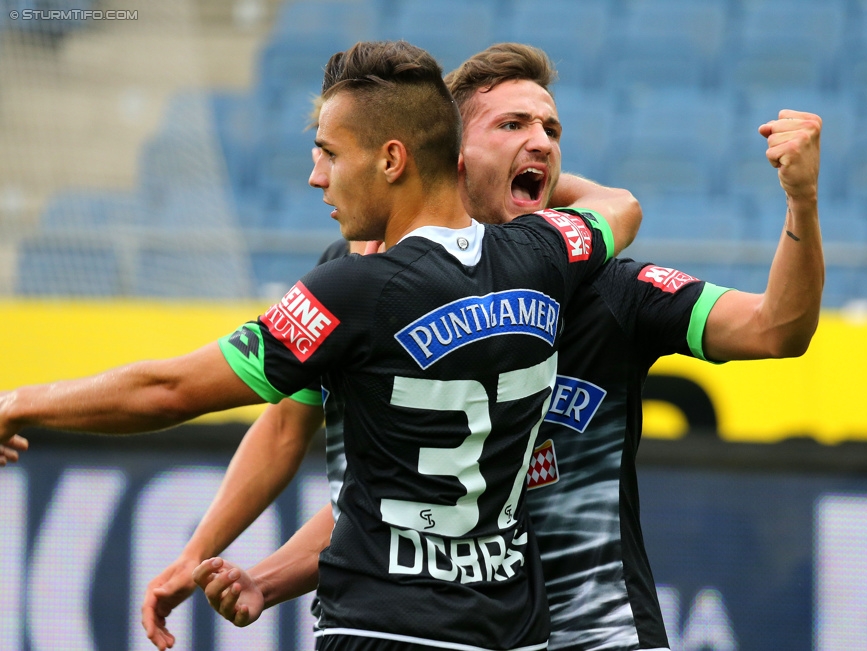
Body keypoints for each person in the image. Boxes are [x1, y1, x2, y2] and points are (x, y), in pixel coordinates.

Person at [0, 40, 639, 651]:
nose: (315, 177)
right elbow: (621, 206)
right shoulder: (545, 255)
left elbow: (170, 389)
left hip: (385, 623)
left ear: (392, 161)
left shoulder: (350, 289)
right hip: (513, 630)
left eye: (330, 153)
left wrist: (20, 403)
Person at [186, 44, 823, 651]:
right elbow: (382, 497)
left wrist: (801, 201)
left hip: (603, 636)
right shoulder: (369, 281)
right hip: (465, 638)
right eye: (512, 123)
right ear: (450, 151)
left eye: (551, 129)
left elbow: (777, 328)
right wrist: (249, 575)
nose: (542, 140)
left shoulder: (613, 290)